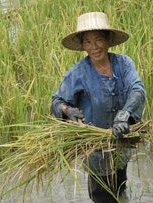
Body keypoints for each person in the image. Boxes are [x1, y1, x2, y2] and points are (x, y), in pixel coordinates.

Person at [51, 12, 146, 203]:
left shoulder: (123, 64)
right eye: (87, 42)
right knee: (101, 195)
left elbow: (138, 89)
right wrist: (67, 111)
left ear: (108, 40)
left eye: (99, 39)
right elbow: (57, 101)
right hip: (95, 148)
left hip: (121, 142)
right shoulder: (78, 73)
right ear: (82, 45)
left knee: (120, 186)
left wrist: (125, 115)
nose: (94, 47)